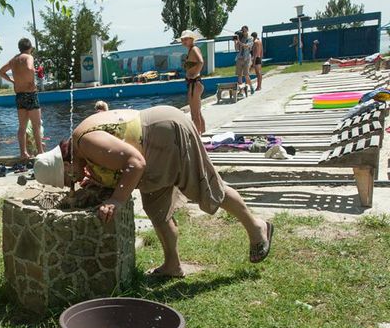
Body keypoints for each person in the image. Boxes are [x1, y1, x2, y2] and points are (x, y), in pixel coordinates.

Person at [32, 106, 274, 277]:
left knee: (208, 188)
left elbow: (135, 163)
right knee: (156, 209)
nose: (72, 182)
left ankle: (257, 227)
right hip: (153, 142)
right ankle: (172, 265)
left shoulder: (84, 142)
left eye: (68, 178)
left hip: (164, 133)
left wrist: (117, 199)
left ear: (64, 163)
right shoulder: (82, 150)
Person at [0, 38, 44, 159]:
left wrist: (13, 80)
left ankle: (23, 153)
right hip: (30, 94)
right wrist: (35, 72)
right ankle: (40, 152)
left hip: (19, 96)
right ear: (30, 48)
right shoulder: (29, 57)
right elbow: (29, 68)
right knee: (36, 125)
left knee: (22, 127)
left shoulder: (13, 60)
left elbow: (1, 72)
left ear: (20, 48)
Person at [179, 30, 206, 134]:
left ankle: (198, 137)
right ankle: (203, 133)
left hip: (195, 83)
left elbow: (201, 62)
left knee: (194, 114)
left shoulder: (194, 49)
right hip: (193, 83)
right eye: (182, 40)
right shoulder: (191, 50)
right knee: (197, 113)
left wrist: (195, 74)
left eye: (186, 39)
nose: (184, 41)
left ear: (191, 39)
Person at [235, 26, 255, 95]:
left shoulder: (250, 38)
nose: (243, 32)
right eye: (242, 31)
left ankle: (251, 87)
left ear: (247, 30)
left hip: (246, 58)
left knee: (246, 74)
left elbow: (246, 46)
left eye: (244, 31)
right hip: (239, 58)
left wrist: (239, 41)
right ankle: (241, 91)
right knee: (239, 75)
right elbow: (237, 49)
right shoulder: (240, 39)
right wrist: (235, 41)